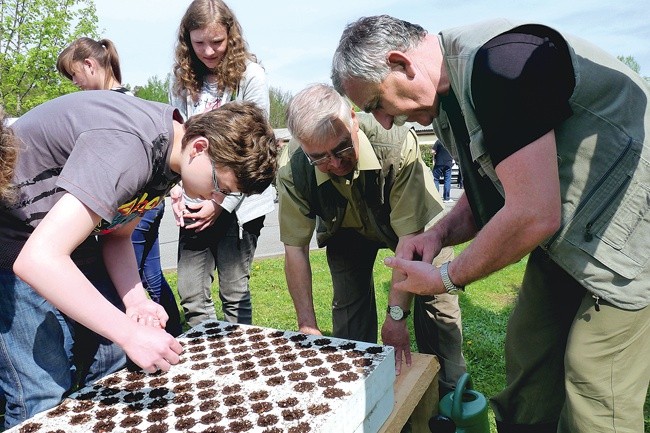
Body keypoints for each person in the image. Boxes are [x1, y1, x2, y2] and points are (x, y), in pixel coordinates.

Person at [332, 15, 650, 433]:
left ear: (400, 64)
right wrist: (438, 234)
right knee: (529, 354)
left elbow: (533, 213)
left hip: (628, 233)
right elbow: (497, 191)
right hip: (575, 232)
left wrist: (445, 276)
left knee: (594, 382)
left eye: (376, 104)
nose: (386, 122)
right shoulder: (447, 98)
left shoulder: (502, 65)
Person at [0, 93, 277, 429]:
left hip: (66, 240)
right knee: (42, 392)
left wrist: (137, 302)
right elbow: (38, 260)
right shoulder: (130, 149)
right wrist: (129, 333)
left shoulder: (170, 156)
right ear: (200, 148)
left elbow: (117, 234)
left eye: (227, 194)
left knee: (110, 364)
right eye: (219, 185)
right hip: (14, 240)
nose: (215, 198)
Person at [277, 83, 466, 392]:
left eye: (341, 148)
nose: (336, 165)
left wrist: (396, 316)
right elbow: (295, 250)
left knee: (436, 308)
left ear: (353, 119)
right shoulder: (292, 167)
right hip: (346, 229)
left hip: (417, 228)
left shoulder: (396, 140)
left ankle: (449, 398)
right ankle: (360, 396)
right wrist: (307, 326)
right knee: (349, 325)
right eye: (320, 158)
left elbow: (410, 237)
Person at [57, 37, 182, 336]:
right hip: (144, 203)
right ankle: (171, 331)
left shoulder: (110, 107)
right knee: (149, 274)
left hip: (131, 203)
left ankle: (150, 332)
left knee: (130, 276)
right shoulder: (130, 98)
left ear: (89, 65)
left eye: (75, 76)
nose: (76, 85)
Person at [168, 0, 274, 327]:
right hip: (196, 200)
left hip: (240, 202)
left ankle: (240, 360)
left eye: (217, 42)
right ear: (187, 40)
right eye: (199, 43)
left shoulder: (251, 76)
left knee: (233, 290)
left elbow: (255, 150)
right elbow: (181, 140)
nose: (209, 51)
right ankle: (210, 358)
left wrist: (221, 201)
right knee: (190, 290)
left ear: (231, 35)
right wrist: (177, 188)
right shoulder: (181, 80)